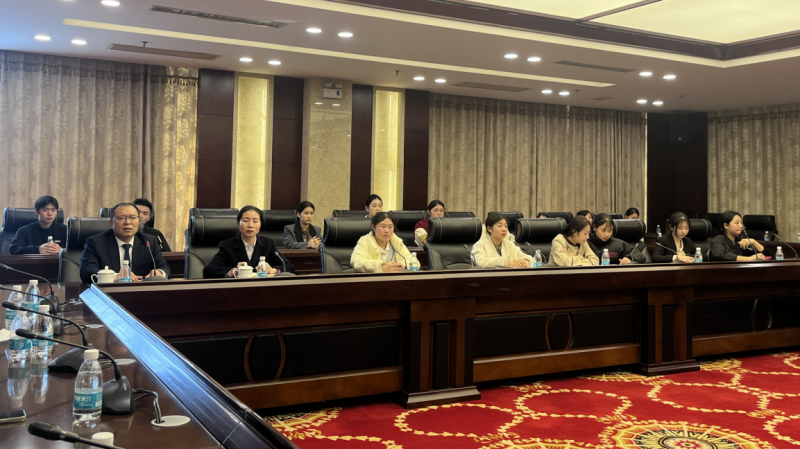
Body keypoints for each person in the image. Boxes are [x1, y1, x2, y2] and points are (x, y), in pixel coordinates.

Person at [79, 202, 171, 283]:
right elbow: (86, 271)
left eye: (132, 218)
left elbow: (164, 267)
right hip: (108, 293)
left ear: (139, 221)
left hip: (140, 292)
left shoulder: (149, 242)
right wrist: (114, 277)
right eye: (121, 218)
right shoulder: (96, 242)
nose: (127, 222)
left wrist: (159, 272)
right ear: (111, 223)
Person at [204, 205, 295, 278]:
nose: (250, 225)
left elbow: (289, 267)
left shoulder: (268, 244)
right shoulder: (227, 245)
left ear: (260, 224)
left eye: (255, 221)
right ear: (238, 224)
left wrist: (274, 270)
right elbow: (209, 270)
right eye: (246, 220)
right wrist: (233, 271)